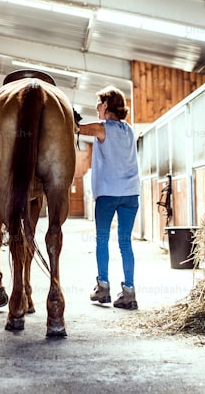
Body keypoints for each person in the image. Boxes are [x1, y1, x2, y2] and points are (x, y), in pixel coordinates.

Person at [78, 86, 140, 310]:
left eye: (98, 104)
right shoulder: (130, 130)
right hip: (131, 194)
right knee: (125, 242)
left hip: (108, 193)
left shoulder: (102, 128)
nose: (96, 107)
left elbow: (75, 128)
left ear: (106, 106)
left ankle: (103, 288)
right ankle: (129, 293)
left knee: (102, 239)